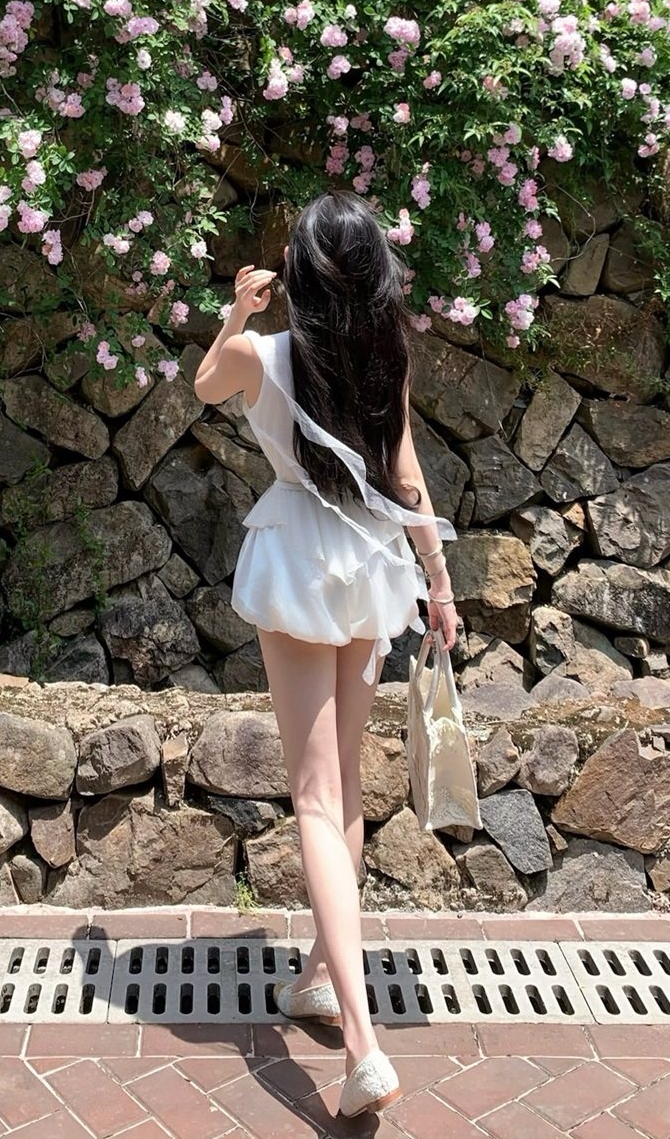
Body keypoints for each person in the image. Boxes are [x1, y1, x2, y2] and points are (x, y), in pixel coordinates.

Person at [193, 190, 459, 1120]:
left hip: (299, 562)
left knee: (312, 795)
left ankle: (360, 1044)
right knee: (342, 789)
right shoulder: (387, 358)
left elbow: (204, 385)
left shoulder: (259, 356)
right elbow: (409, 476)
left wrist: (237, 311)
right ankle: (316, 977)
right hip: (374, 563)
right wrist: (440, 586)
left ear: (297, 274)